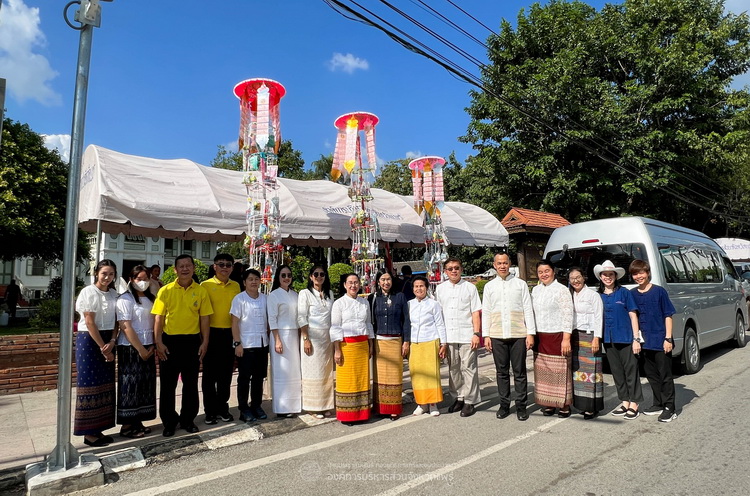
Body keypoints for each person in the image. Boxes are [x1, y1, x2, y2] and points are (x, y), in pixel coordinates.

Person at [152, 254, 213, 437]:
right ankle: (169, 422)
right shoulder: (166, 290)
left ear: (193, 268)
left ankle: (188, 420)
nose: (185, 269)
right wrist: (159, 342)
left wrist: (205, 342)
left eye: (188, 265)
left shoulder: (201, 291)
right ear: (175, 270)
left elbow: (205, 318)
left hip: (192, 342)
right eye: (181, 266)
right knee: (168, 386)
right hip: (169, 343)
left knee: (191, 384)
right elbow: (158, 318)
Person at [482, 252, 536, 421]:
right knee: (502, 372)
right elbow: (487, 311)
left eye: (505, 262)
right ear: (494, 265)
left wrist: (530, 333)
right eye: (499, 263)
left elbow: (528, 308)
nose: (502, 266)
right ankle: (504, 404)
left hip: (518, 334)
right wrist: (486, 335)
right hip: (497, 335)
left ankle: (521, 405)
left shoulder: (520, 284)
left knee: (519, 372)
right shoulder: (490, 286)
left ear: (510, 264)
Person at [74, 259, 118, 446]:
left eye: (111, 274)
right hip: (90, 340)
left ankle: (99, 428)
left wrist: (113, 341)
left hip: (109, 339)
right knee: (88, 384)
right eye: (104, 273)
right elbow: (89, 321)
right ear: (96, 273)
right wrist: (103, 347)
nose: (107, 277)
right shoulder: (88, 292)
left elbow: (118, 320)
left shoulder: (115, 294)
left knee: (105, 385)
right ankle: (88, 433)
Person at [629, 259, 678, 423]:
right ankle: (658, 403)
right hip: (644, 342)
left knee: (665, 375)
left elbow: (668, 314)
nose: (638, 276)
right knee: (651, 375)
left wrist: (668, 338)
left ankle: (670, 408)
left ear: (648, 273)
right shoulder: (633, 294)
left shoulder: (659, 291)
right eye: (635, 274)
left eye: (641, 272)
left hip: (661, 340)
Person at [595, 259, 642, 420]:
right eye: (604, 275)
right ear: (600, 277)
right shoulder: (598, 296)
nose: (608, 277)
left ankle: (635, 403)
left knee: (631, 371)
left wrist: (636, 339)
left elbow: (633, 314)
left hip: (626, 338)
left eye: (610, 274)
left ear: (615, 276)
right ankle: (625, 401)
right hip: (608, 340)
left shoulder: (624, 293)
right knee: (617, 372)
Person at [435, 257, 481, 418]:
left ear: (461, 269)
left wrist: (476, 333)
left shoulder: (470, 288)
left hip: (467, 334)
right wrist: (441, 340)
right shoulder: (440, 289)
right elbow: (438, 315)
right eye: (450, 268)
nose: (453, 271)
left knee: (468, 368)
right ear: (445, 271)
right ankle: (459, 397)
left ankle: (470, 401)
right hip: (449, 335)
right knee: (453, 368)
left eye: (456, 268)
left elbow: (475, 312)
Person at [116, 265, 157, 438]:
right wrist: (140, 349)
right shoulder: (125, 299)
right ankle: (127, 425)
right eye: (139, 279)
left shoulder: (151, 298)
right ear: (131, 280)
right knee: (130, 385)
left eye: (146, 278)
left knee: (144, 385)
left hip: (149, 345)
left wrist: (153, 345)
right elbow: (125, 325)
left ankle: (138, 420)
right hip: (130, 347)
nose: (143, 282)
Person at [200, 254, 241, 425]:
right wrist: (203, 339)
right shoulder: (205, 285)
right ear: (214, 267)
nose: (225, 268)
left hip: (229, 335)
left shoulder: (236, 286)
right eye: (221, 264)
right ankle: (210, 411)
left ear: (232, 268)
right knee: (209, 375)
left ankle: (223, 408)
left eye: (228, 265)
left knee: (225, 374)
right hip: (211, 334)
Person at [531, 260, 574, 417]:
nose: (544, 274)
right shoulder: (535, 290)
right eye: (541, 272)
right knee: (543, 372)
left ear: (553, 271)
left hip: (557, 335)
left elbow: (568, 315)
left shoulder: (561, 290)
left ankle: (564, 405)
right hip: (540, 336)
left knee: (560, 371)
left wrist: (566, 338)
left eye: (547, 271)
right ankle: (548, 403)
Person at [330, 273, 374, 425]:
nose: (353, 286)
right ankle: (348, 415)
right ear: (344, 285)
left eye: (356, 282)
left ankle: (362, 413)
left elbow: (368, 324)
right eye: (350, 283)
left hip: (362, 345)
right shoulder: (339, 303)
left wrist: (371, 344)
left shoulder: (364, 303)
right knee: (347, 380)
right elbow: (335, 328)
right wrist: (337, 349)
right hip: (346, 346)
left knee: (361, 380)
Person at [370, 269, 410, 420]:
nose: (386, 282)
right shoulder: (372, 298)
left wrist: (406, 341)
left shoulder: (400, 297)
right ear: (378, 282)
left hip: (395, 341)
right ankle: (380, 407)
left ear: (392, 281)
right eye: (382, 279)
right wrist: (371, 342)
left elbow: (406, 320)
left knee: (394, 376)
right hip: (379, 341)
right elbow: (370, 322)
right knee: (380, 376)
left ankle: (393, 408)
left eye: (388, 279)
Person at [231, 268, 270, 423]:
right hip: (245, 345)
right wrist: (237, 343)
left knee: (259, 378)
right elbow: (234, 323)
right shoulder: (239, 299)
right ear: (244, 282)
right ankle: (243, 409)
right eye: (250, 279)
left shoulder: (265, 299)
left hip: (262, 344)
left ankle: (256, 405)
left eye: (256, 279)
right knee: (244, 378)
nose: (254, 282)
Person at [297, 265, 335, 418]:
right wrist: (306, 338)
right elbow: (301, 317)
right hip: (311, 336)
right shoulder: (305, 294)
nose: (319, 277)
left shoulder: (329, 294)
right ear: (310, 277)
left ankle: (325, 405)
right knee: (313, 373)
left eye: (322, 274)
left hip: (327, 338)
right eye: (316, 274)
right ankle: (312, 407)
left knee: (326, 373)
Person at [408, 275, 448, 417]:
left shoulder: (434, 304)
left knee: (432, 374)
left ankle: (432, 404)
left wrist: (443, 343)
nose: (419, 289)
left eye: (422, 286)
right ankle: (421, 403)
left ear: (427, 288)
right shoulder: (409, 305)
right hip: (415, 343)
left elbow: (440, 324)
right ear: (413, 289)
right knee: (417, 374)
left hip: (431, 341)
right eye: (416, 286)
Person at [568, 267, 604, 420]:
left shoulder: (593, 295)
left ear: (584, 278)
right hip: (574, 336)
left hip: (589, 336)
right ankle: (581, 405)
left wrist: (597, 337)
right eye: (572, 278)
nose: (575, 281)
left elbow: (598, 317)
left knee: (592, 371)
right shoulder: (569, 295)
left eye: (578, 277)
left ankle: (592, 406)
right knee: (578, 372)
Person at [267, 265, 302, 418]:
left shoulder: (295, 294)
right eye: (283, 275)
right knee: (281, 373)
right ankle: (281, 408)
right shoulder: (273, 295)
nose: (286, 278)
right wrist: (277, 340)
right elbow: (272, 319)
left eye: (289, 275)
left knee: (293, 372)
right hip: (280, 335)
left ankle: (294, 405)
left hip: (294, 336)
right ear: (278, 278)